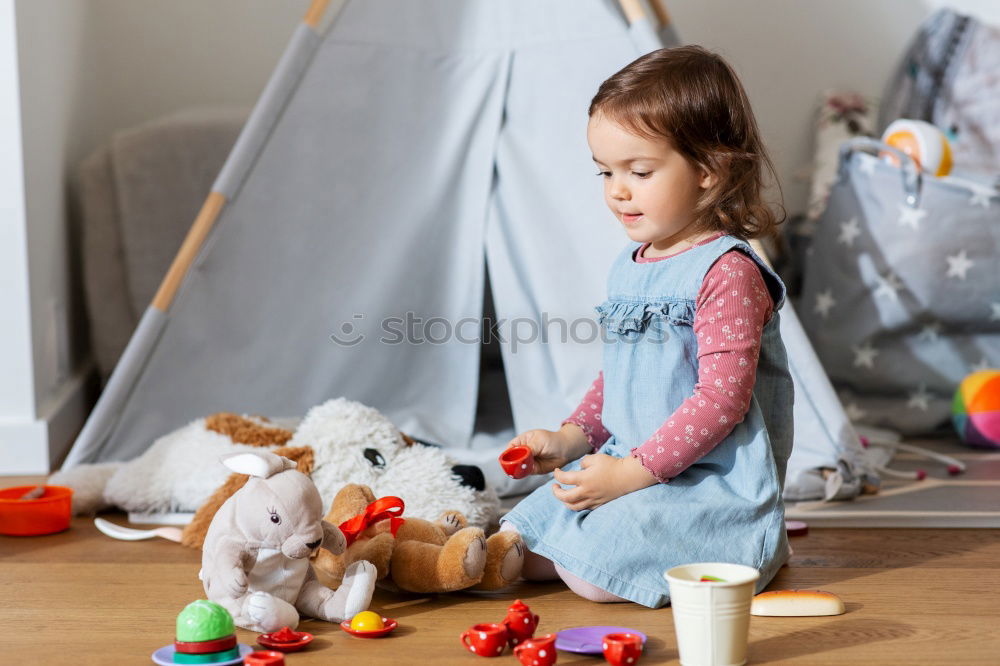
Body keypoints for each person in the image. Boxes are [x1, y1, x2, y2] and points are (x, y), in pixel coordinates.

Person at [499, 45, 794, 608]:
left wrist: (630, 475)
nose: (617, 189)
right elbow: (622, 376)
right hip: (634, 463)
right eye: (605, 171)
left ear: (709, 170)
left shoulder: (726, 272)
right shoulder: (631, 267)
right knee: (521, 541)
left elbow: (721, 402)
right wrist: (568, 439)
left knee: (590, 576)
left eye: (639, 171)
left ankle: (730, 546)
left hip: (705, 484)